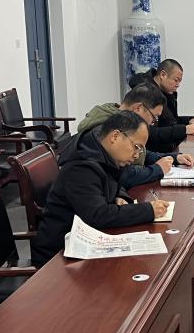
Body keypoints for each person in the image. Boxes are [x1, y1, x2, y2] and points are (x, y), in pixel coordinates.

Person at [31, 109, 170, 266]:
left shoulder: (103, 152)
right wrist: (148, 210)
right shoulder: (81, 167)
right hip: (59, 256)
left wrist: (120, 196)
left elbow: (117, 182)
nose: (137, 155)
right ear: (115, 136)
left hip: (87, 242)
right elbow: (98, 215)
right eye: (136, 147)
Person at [74, 85, 194, 188]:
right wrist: (158, 169)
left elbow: (141, 153)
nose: (152, 123)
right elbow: (122, 175)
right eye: (154, 118)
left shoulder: (121, 120)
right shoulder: (106, 129)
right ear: (138, 108)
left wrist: (173, 158)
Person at [128, 58, 194, 153]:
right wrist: (184, 130)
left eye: (179, 82)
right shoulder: (145, 93)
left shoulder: (166, 92)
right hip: (154, 151)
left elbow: (170, 121)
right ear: (163, 75)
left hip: (169, 148)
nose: (178, 85)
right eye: (176, 80)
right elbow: (149, 132)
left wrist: (189, 121)